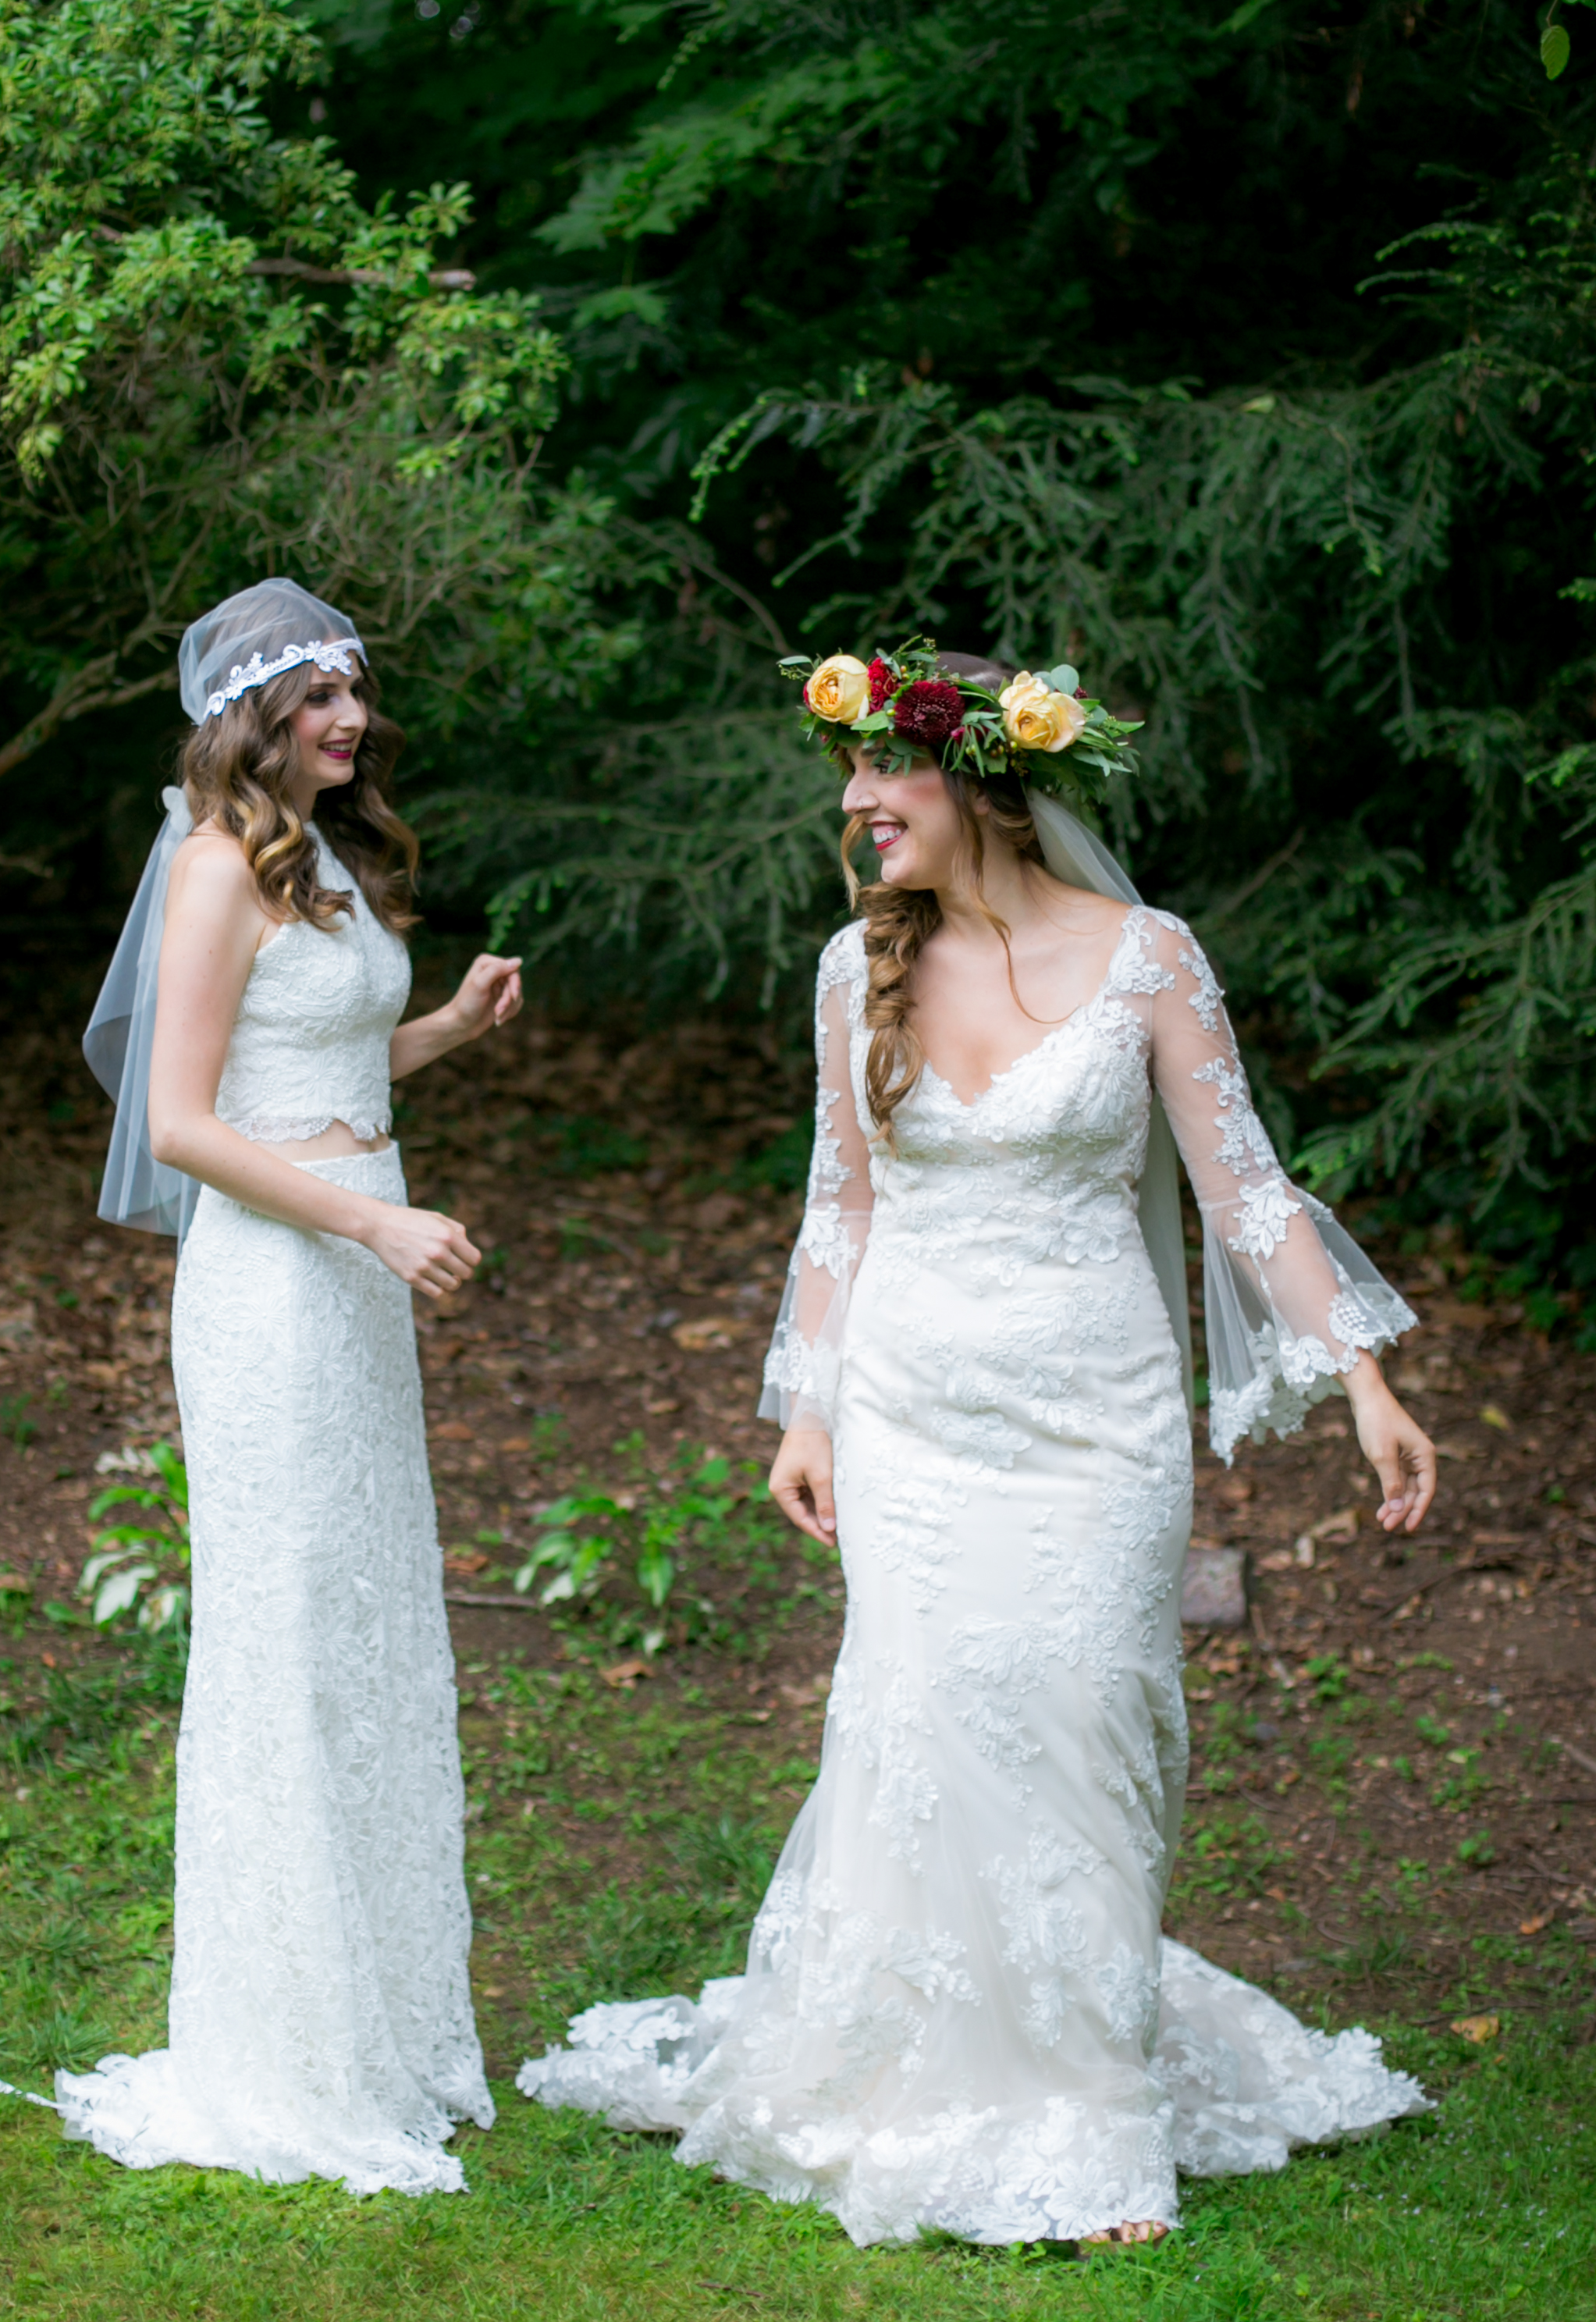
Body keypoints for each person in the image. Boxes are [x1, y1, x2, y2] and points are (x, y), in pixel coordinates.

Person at [518, 642, 1434, 2249]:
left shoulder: (1149, 956)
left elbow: (1247, 1193)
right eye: (850, 780)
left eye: (884, 773)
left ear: (985, 779)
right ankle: (910, 2071)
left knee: (1081, 1720)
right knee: (926, 1730)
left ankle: (1083, 2109)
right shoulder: (845, 968)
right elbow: (839, 1205)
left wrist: (1361, 1376)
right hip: (910, 1418)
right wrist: (805, 1407)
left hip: (1099, 1419)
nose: (857, 804)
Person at [62, 578, 521, 2196]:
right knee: (286, 1628)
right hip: (272, 1293)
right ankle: (278, 2042)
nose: (351, 721)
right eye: (320, 699)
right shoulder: (207, 869)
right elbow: (185, 1121)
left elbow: (312, 1075)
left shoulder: (314, 858)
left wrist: (449, 1023)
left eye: (356, 696)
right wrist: (377, 1218)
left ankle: (375, 2024)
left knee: (367, 1625)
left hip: (350, 1284)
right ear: (253, 715)